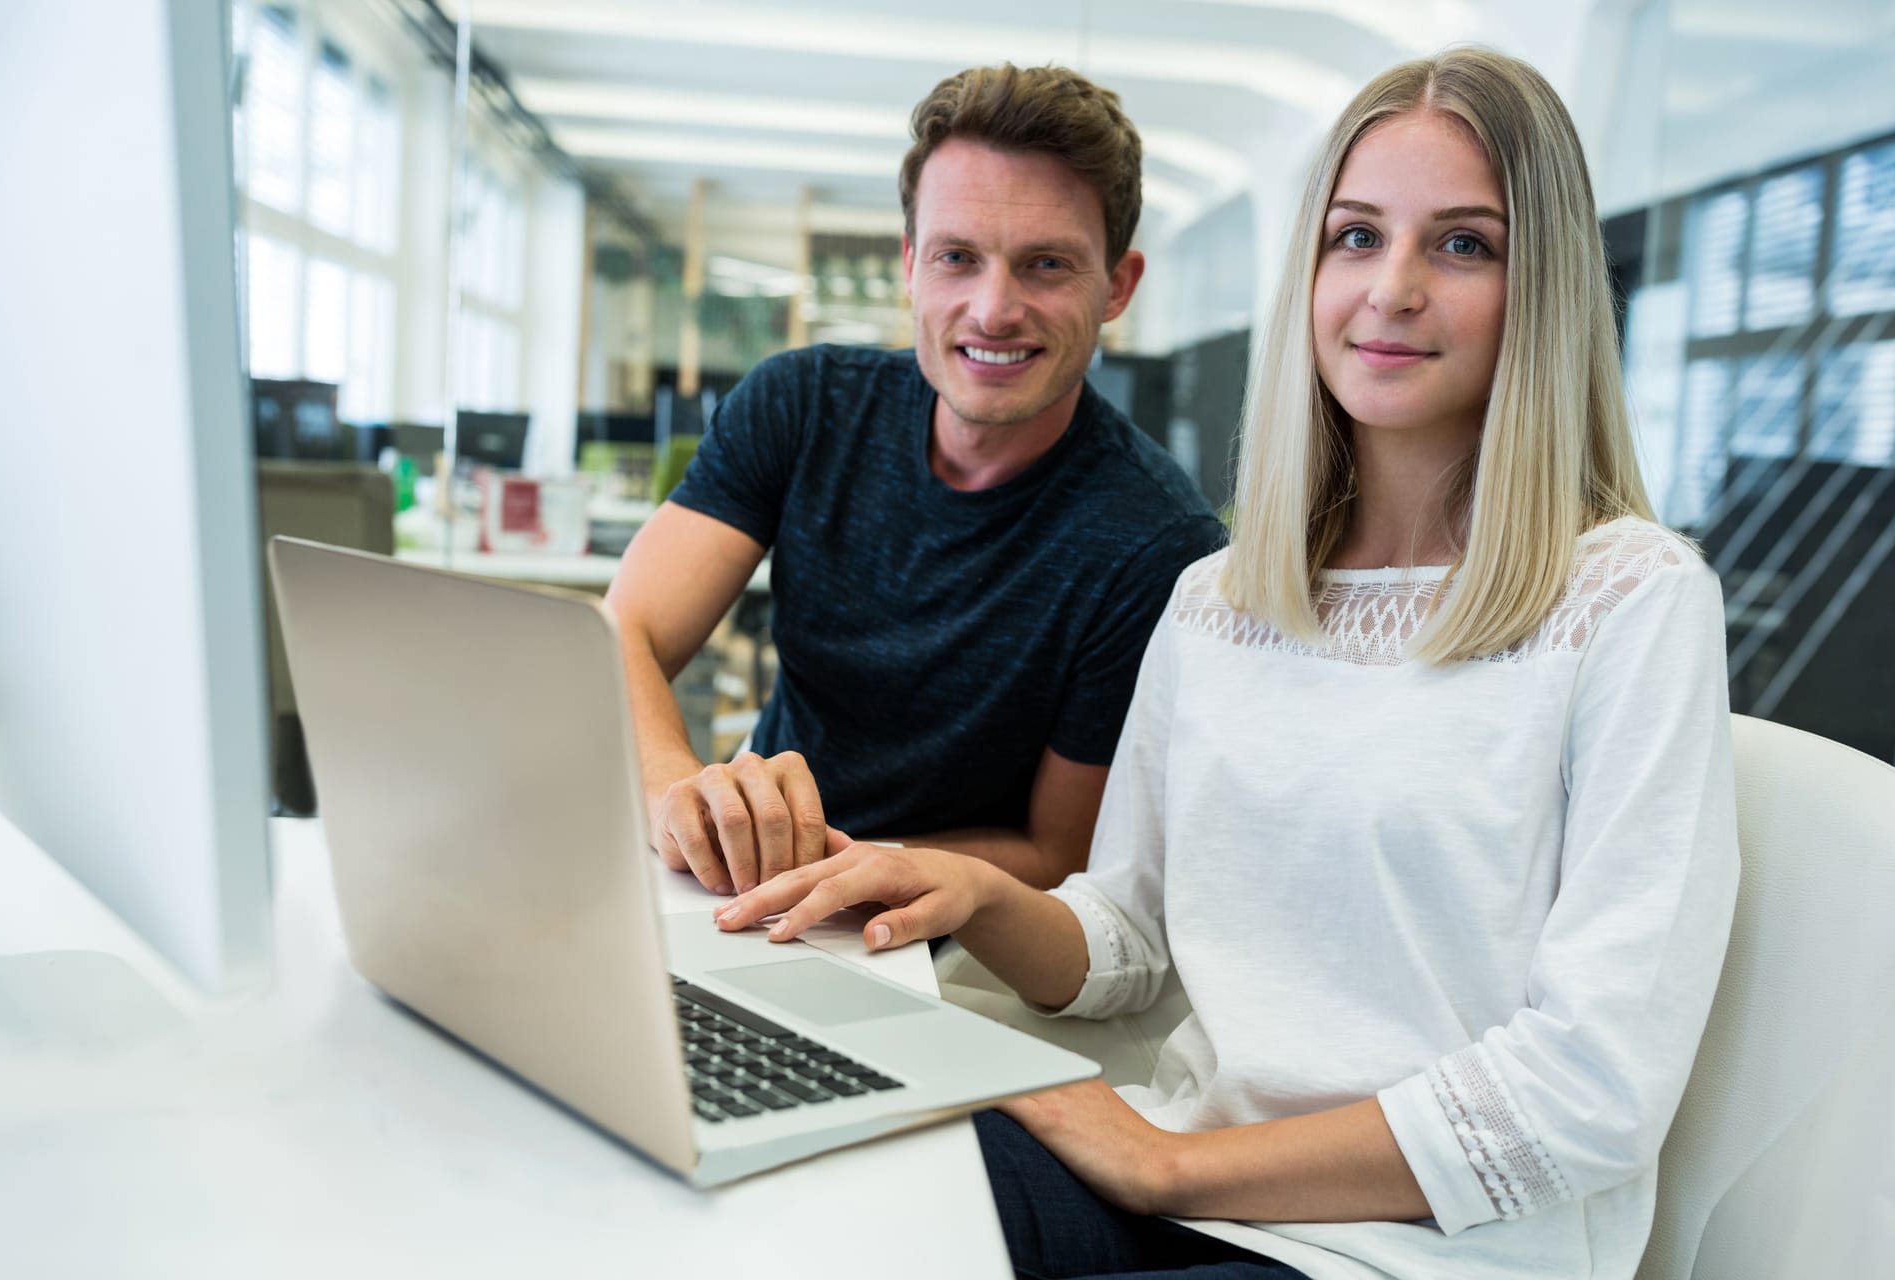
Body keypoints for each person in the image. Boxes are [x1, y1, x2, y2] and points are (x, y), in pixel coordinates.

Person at [714, 47, 1739, 1280]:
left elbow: (1592, 1088)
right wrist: (974, 891)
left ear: (1548, 289)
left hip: (1413, 1250)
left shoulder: (1631, 600)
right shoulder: (1222, 597)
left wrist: (1163, 1164)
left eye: (1464, 244)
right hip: (1178, 1178)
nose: (1393, 288)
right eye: (1357, 237)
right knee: (794, 1189)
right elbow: (1132, 936)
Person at [608, 65, 1223, 899]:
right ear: (910, 265)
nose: (993, 309)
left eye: (1046, 264)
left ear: (1117, 286)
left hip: (961, 917)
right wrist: (673, 795)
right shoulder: (802, 404)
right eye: (956, 258)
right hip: (751, 873)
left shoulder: (1157, 543)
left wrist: (832, 869)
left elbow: (1060, 853)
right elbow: (626, 629)